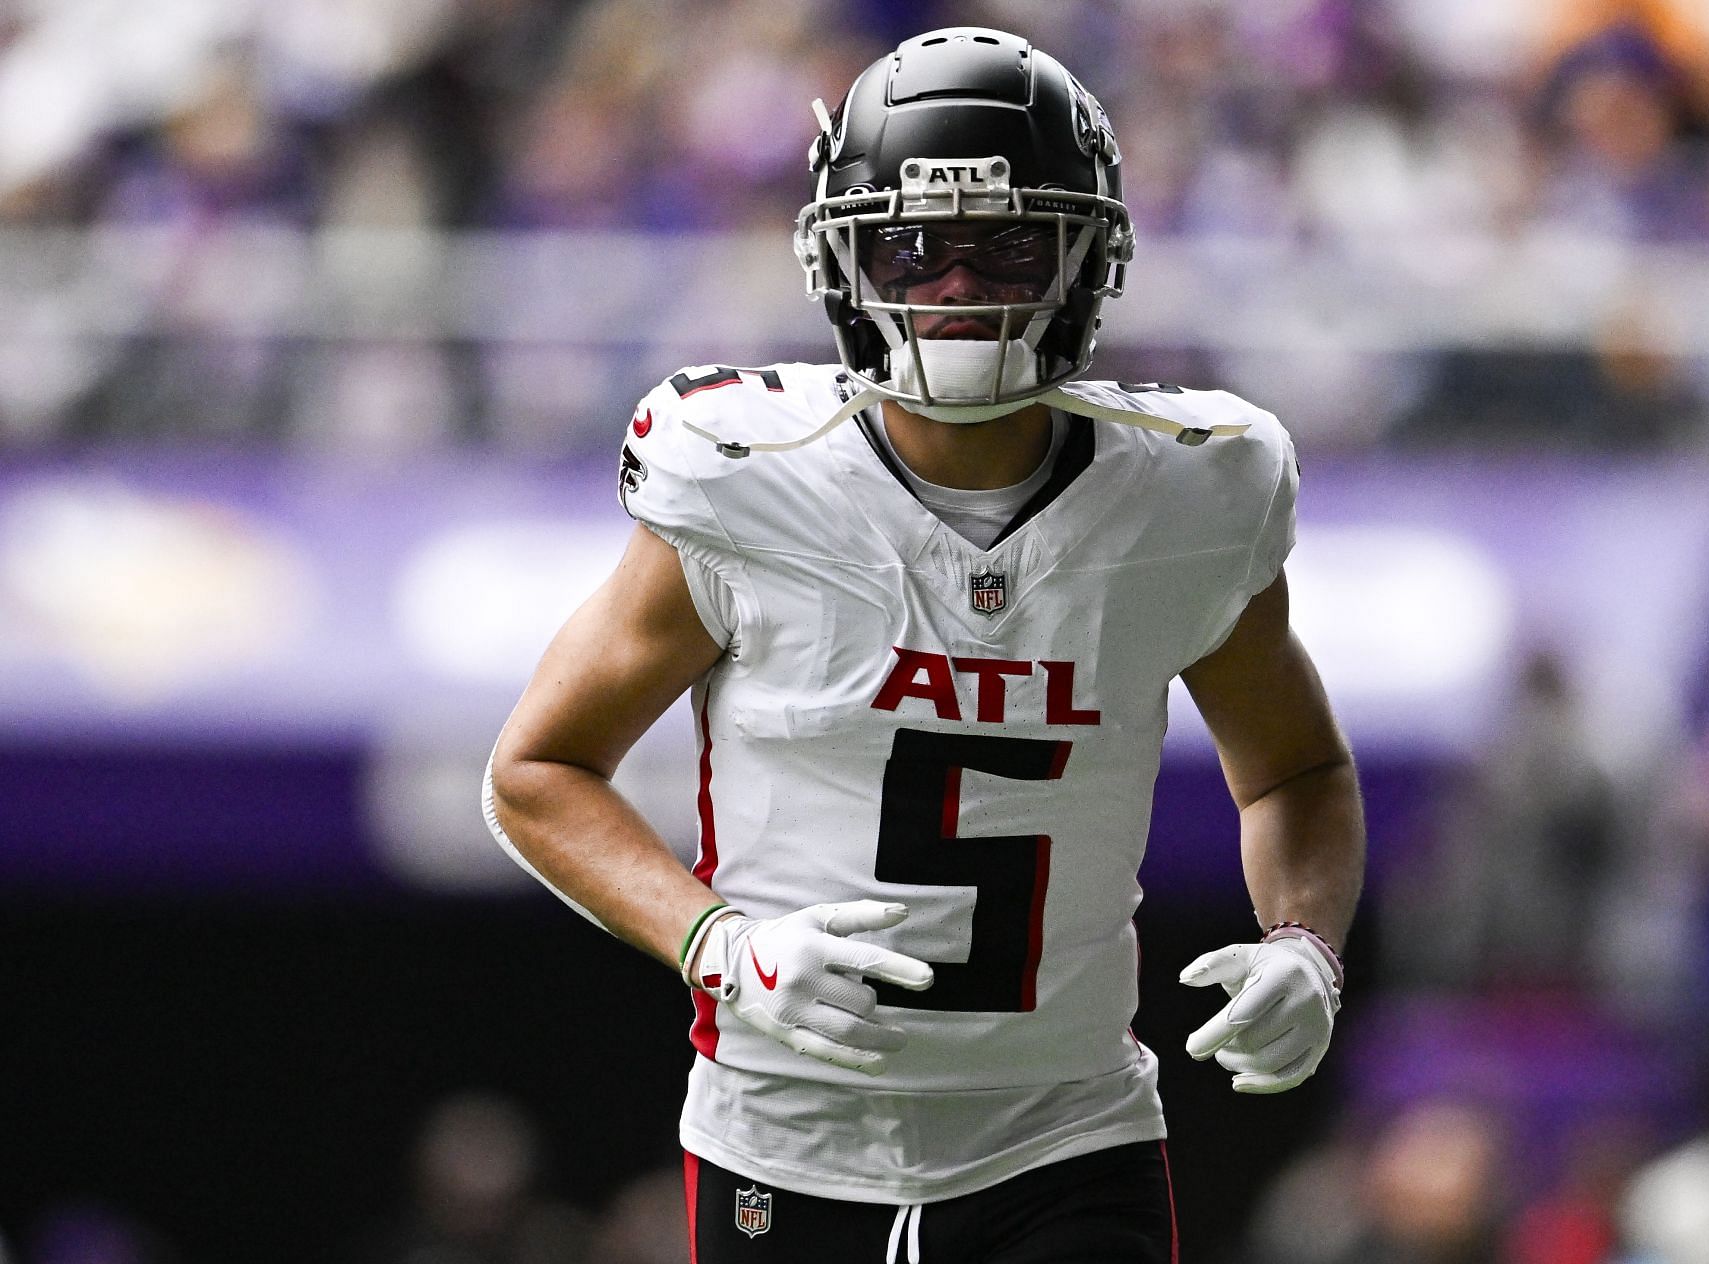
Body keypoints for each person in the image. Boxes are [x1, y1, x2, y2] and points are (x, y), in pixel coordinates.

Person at [484, 26, 1365, 1263]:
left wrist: (1306, 944)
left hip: (1067, 1133)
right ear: (844, 260)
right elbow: (535, 774)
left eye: (1006, 243)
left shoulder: (1190, 497)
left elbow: (1295, 773)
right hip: (784, 1135)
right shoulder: (749, 480)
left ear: (1084, 258)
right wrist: (716, 943)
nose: (956, 285)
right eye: (913, 245)